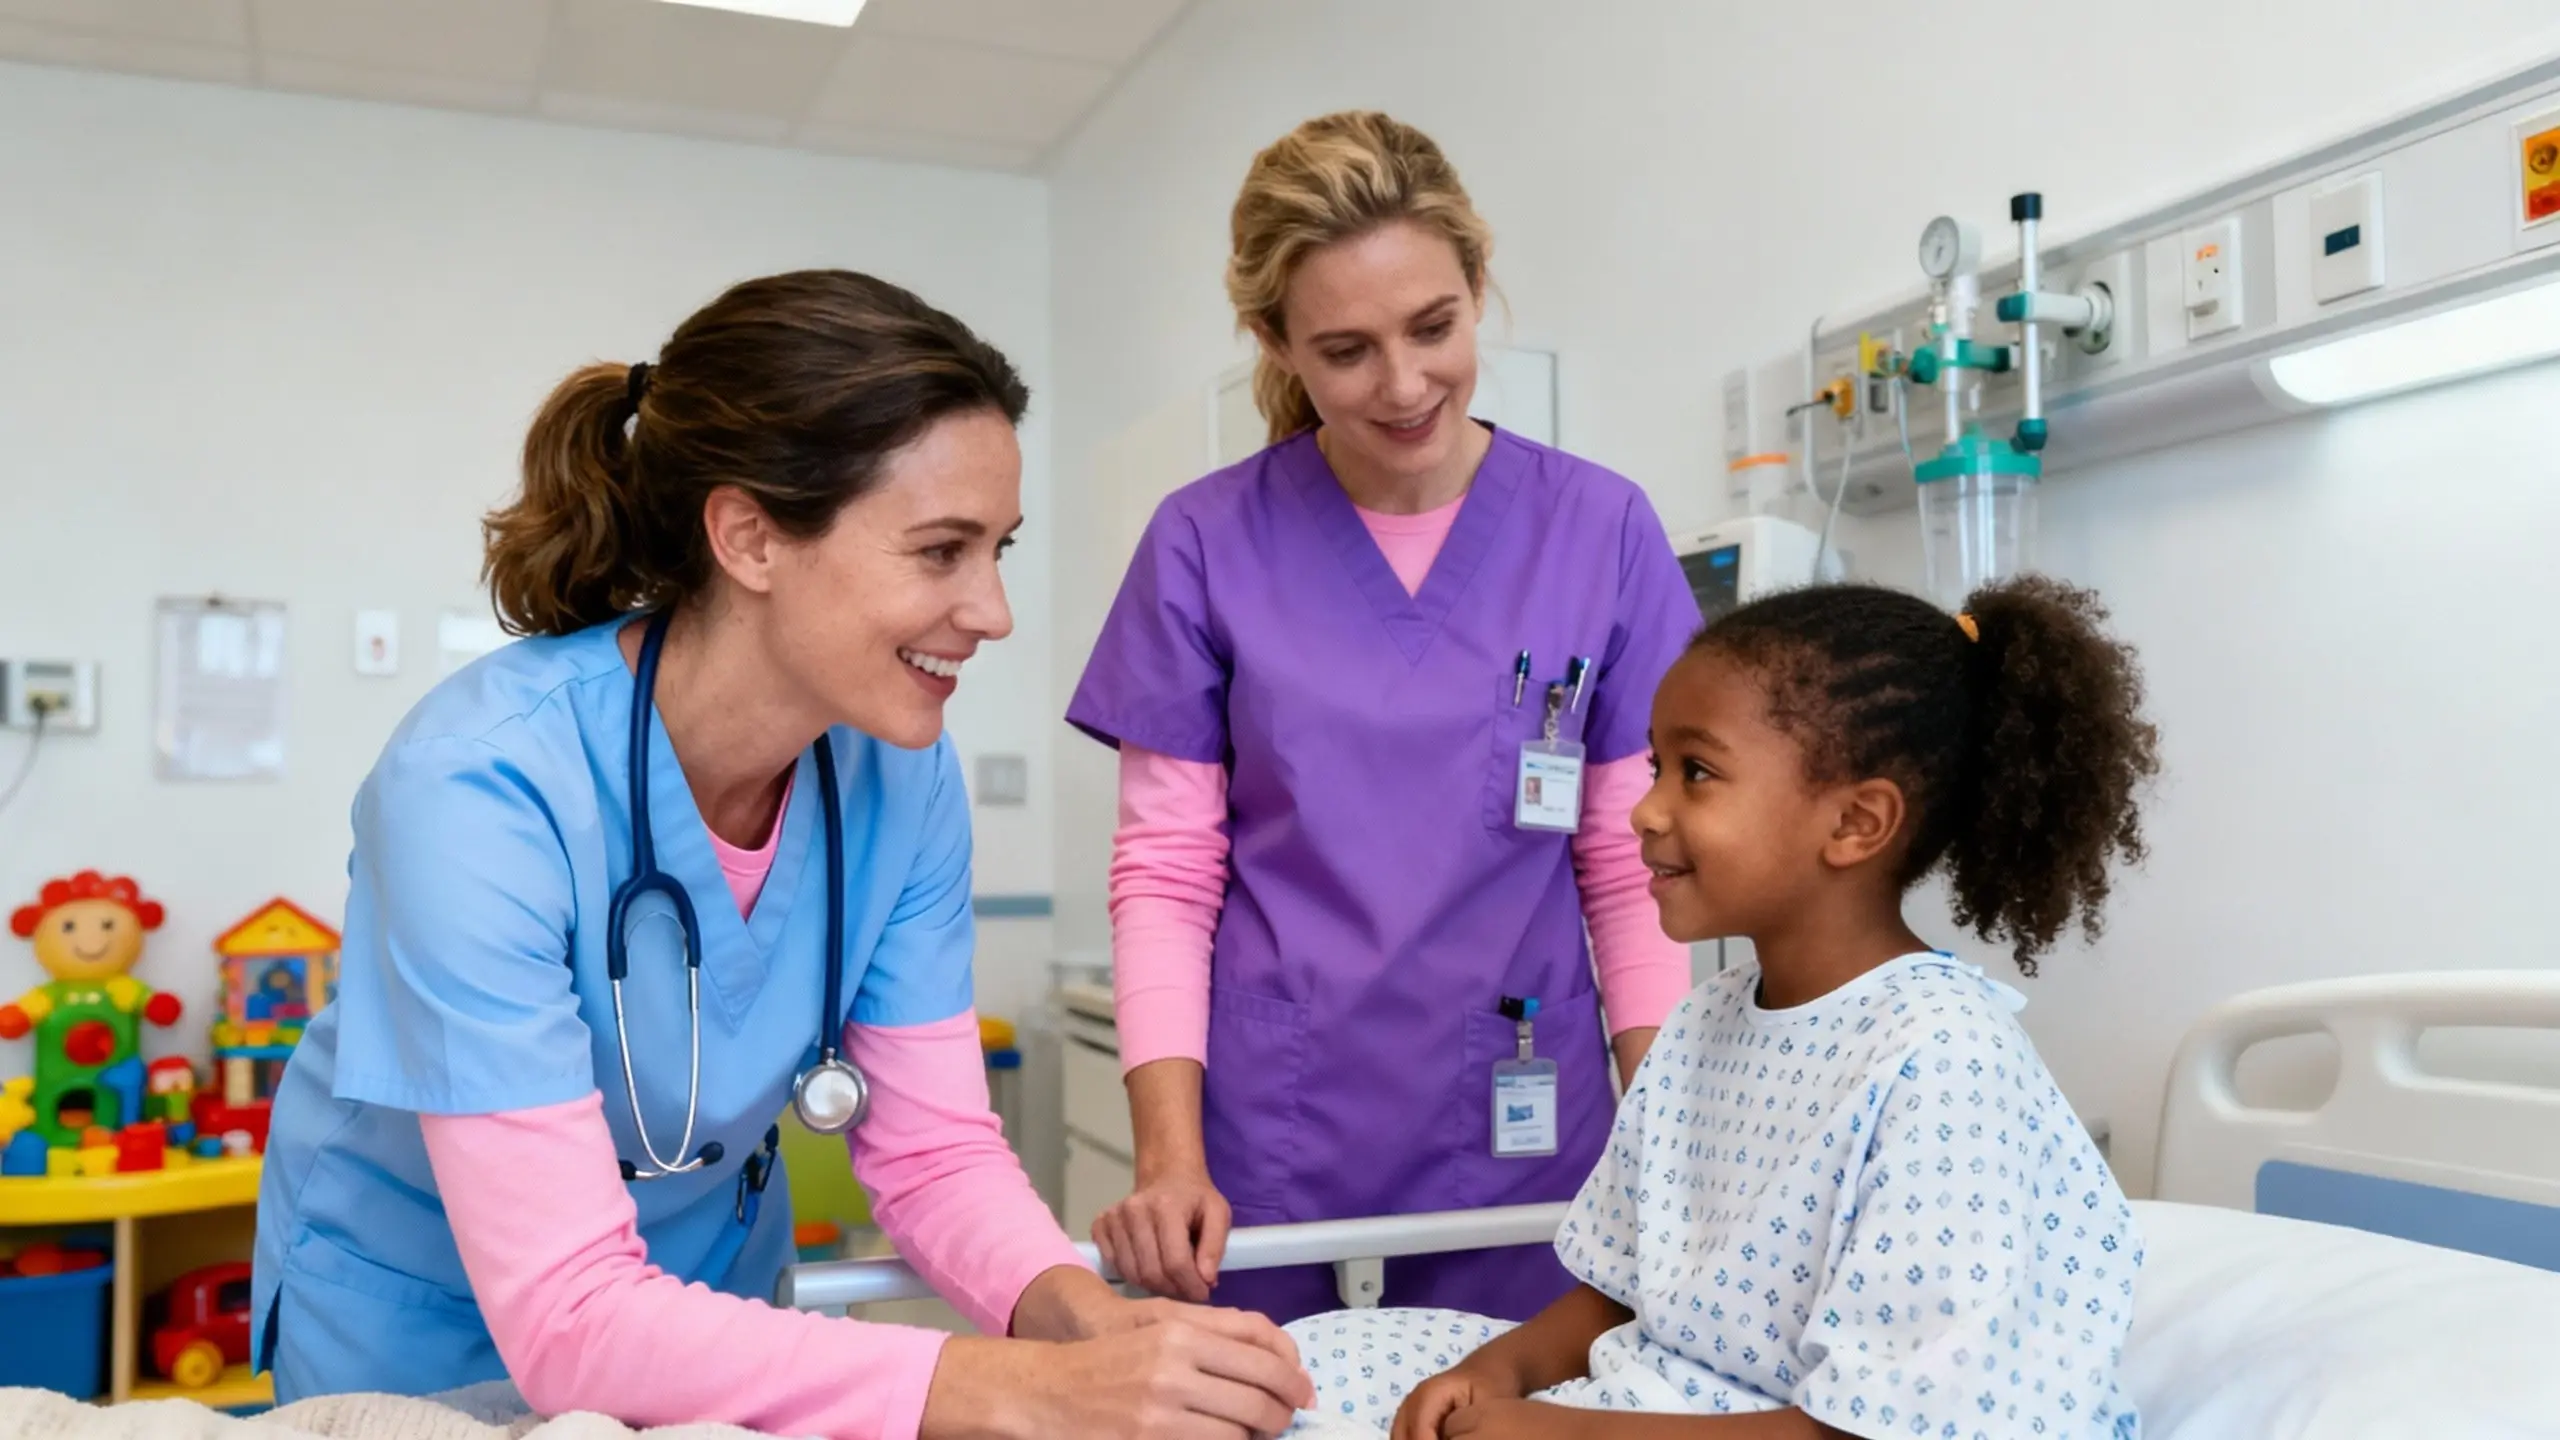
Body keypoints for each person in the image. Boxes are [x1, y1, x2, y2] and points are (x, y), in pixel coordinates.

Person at [250, 271, 1313, 1440]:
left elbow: (934, 1151)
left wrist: (1087, 1327)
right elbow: (569, 1315)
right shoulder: (477, 786)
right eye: (941, 551)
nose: (994, 611)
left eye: (998, 550)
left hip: (707, 1320)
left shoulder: (900, 777)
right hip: (430, 1333)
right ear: (749, 537)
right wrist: (1027, 1392)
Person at [1066, 111, 1704, 1328]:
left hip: (1526, 1125)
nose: (1405, 386)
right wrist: (1167, 1156)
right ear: (1274, 342)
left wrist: (1665, 1144)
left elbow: (1631, 867)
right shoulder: (1202, 541)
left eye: (1433, 327)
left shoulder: (1601, 528)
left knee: (1527, 1399)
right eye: (1347, 350)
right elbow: (1165, 875)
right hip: (1270, 1134)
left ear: (1478, 284)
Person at [1279, 577, 2160, 1440]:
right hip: (1661, 1395)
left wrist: (1564, 1434)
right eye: (1655, 766)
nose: (1645, 810)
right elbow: (1624, 1291)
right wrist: (1499, 1371)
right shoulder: (1705, 1023)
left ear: (1855, 824)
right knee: (1304, 1374)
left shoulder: (1941, 1063)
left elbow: (1891, 1427)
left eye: (1696, 772)